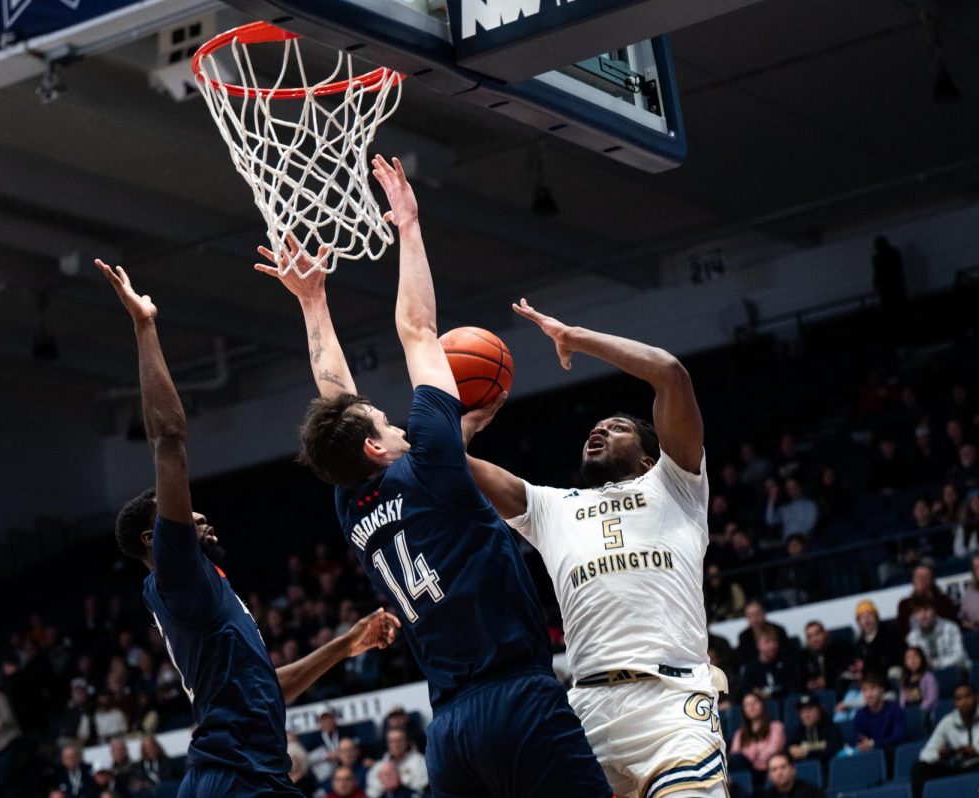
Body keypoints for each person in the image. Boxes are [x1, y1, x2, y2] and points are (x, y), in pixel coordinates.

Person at [259, 157, 610, 798]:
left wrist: (314, 303)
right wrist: (410, 226)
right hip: (518, 698)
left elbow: (337, 397)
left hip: (449, 728)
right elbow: (418, 330)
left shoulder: (352, 504)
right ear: (376, 447)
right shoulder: (430, 463)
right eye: (388, 422)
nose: (398, 423)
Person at [96, 257, 399, 798]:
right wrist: (145, 327)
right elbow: (168, 440)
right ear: (155, 538)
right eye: (188, 515)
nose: (201, 515)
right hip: (237, 777)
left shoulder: (206, 599)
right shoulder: (178, 572)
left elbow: (268, 689)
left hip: (247, 774)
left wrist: (342, 646)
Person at [454, 271, 730, 793]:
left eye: (617, 426)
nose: (598, 429)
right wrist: (464, 423)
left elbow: (670, 373)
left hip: (670, 704)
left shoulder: (676, 485)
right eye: (594, 427)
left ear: (650, 456)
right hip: (586, 710)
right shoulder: (552, 506)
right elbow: (451, 463)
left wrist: (573, 338)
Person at [729, 691, 786, 781]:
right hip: (746, 771)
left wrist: (751, 755)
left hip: (767, 770)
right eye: (747, 705)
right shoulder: (739, 733)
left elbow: (771, 753)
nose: (751, 706)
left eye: (755, 702)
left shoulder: (776, 727)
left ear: (762, 705)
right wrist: (756, 752)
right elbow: (735, 755)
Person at [906, 596, 970, 671]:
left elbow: (959, 657)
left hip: (957, 673)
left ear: (934, 610)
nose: (923, 616)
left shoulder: (951, 627)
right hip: (929, 677)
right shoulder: (912, 637)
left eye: (926, 610)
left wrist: (934, 664)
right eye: (918, 612)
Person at [896, 564, 960, 637]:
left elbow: (951, 627)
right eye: (918, 577)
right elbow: (903, 634)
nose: (921, 580)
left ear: (932, 580)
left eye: (925, 577)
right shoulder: (904, 605)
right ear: (913, 580)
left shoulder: (943, 601)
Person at [739, 624, 799, 701]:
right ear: (758, 645)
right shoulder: (750, 669)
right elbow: (746, 692)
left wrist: (771, 694)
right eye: (767, 641)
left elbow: (793, 688)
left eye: (774, 641)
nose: (772, 645)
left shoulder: (787, 663)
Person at [366, 730, 428, 798]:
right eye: (392, 741)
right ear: (387, 743)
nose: (396, 745)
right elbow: (372, 793)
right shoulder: (379, 765)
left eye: (399, 740)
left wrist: (397, 784)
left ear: (407, 741)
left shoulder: (419, 761)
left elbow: (420, 788)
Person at [853, 600, 904, 682]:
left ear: (876, 617)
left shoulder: (889, 632)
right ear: (859, 622)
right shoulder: (860, 643)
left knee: (894, 672)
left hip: (890, 670)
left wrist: (867, 665)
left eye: (869, 615)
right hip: (872, 677)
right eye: (862, 617)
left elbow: (893, 659)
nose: (866, 620)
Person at [853, 673, 905, 752]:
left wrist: (874, 744)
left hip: (893, 753)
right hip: (871, 757)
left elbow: (899, 735)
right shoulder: (860, 715)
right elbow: (859, 738)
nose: (869, 694)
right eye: (865, 690)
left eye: (872, 689)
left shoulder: (894, 709)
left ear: (881, 689)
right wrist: (863, 744)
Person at [786, 695, 842, 766]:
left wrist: (807, 753)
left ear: (819, 710)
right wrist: (791, 752)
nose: (806, 715)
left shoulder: (830, 727)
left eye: (809, 710)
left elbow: (834, 749)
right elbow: (788, 750)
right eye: (802, 711)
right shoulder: (798, 731)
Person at [800, 621, 852, 696]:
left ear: (825, 633)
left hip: (841, 690)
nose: (815, 640)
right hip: (816, 695)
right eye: (810, 636)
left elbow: (846, 671)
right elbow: (801, 679)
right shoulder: (804, 656)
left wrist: (828, 681)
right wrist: (809, 685)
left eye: (817, 634)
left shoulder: (840, 647)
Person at [761, 752, 826, 798]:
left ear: (792, 770)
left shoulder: (812, 793)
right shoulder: (765, 796)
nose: (779, 773)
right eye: (774, 769)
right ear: (769, 776)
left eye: (783, 767)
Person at [899, 646, 938, 717]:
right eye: (909, 658)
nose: (912, 660)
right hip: (909, 713)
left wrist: (919, 710)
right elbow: (902, 701)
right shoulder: (905, 680)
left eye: (915, 656)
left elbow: (932, 698)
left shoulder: (928, 677)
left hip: (924, 713)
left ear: (921, 658)